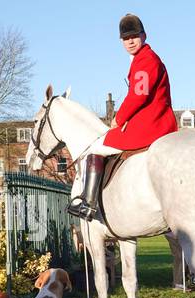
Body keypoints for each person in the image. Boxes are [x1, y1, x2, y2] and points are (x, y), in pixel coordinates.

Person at [67, 13, 177, 221]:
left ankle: (88, 204)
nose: (130, 41)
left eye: (134, 36)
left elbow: (139, 94)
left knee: (95, 147)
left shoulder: (146, 60)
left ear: (144, 35)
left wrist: (119, 117)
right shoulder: (143, 59)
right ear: (121, 41)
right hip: (154, 120)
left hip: (149, 125)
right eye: (126, 38)